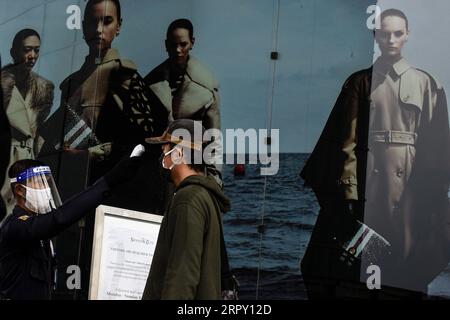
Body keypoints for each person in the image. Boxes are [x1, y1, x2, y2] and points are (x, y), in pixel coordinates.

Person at [300, 9, 450, 298]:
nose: (391, 39)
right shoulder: (360, 82)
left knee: (405, 267)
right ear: (376, 37)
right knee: (354, 266)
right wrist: (349, 196)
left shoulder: (427, 84)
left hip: (408, 191)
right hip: (370, 185)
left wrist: (431, 195)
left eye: (397, 33)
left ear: (407, 36)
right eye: (385, 34)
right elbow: (344, 143)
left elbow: (437, 148)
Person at [38, 0, 167, 299]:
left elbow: (148, 141)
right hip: (73, 197)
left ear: (118, 27)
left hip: (116, 202)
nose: (98, 29)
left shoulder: (127, 79)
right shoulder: (71, 84)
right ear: (82, 26)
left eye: (107, 21)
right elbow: (51, 136)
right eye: (92, 22)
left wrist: (93, 154)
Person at [0, 146, 144, 300]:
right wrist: (109, 181)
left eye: (47, 183)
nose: (46, 189)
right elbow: (60, 218)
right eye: (40, 183)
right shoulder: (16, 226)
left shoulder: (40, 233)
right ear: (20, 190)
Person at [142, 119, 230, 300]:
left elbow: (182, 278)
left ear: (179, 152)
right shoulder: (205, 195)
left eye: (165, 149)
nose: (162, 155)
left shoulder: (187, 200)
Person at [144, 19, 222, 184]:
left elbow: (214, 139)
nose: (178, 50)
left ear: (192, 43)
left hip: (191, 169)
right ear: (166, 45)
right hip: (156, 170)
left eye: (183, 44)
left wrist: (215, 181)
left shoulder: (207, 87)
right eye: (173, 45)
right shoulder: (150, 83)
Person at [1, 29, 54, 220]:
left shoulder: (44, 88)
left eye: (36, 51)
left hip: (28, 160)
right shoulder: (2, 83)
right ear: (14, 52)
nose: (32, 56)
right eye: (27, 50)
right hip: (6, 156)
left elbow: (39, 130)